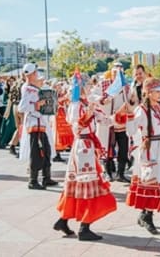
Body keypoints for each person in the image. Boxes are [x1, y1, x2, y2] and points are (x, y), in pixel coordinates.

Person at [54, 70, 117, 241]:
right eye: (87, 85)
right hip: (83, 148)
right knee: (87, 185)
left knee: (80, 185)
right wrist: (89, 113)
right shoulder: (76, 105)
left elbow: (105, 119)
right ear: (80, 88)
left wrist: (120, 114)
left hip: (87, 147)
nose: (90, 88)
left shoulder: (85, 103)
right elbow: (77, 126)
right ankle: (84, 227)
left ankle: (64, 220)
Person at [125, 78, 160, 234]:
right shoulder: (142, 110)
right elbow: (131, 131)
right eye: (157, 91)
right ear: (148, 92)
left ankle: (145, 215)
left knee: (158, 181)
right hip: (149, 149)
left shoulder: (158, 107)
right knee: (149, 181)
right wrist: (130, 117)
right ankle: (147, 217)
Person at [18, 63, 58, 190]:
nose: (37, 74)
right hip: (34, 124)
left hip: (41, 123)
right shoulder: (27, 88)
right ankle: (33, 180)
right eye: (35, 72)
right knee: (36, 152)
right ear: (31, 74)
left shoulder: (33, 88)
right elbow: (22, 107)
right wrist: (37, 105)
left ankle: (46, 177)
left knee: (46, 150)